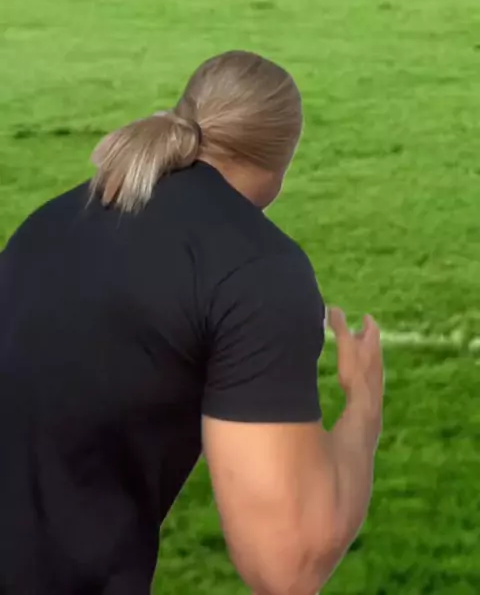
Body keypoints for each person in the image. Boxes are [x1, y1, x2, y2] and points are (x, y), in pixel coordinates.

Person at [0, 50, 384, 595]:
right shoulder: (253, 268)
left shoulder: (52, 220)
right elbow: (286, 566)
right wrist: (364, 408)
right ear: (283, 156)